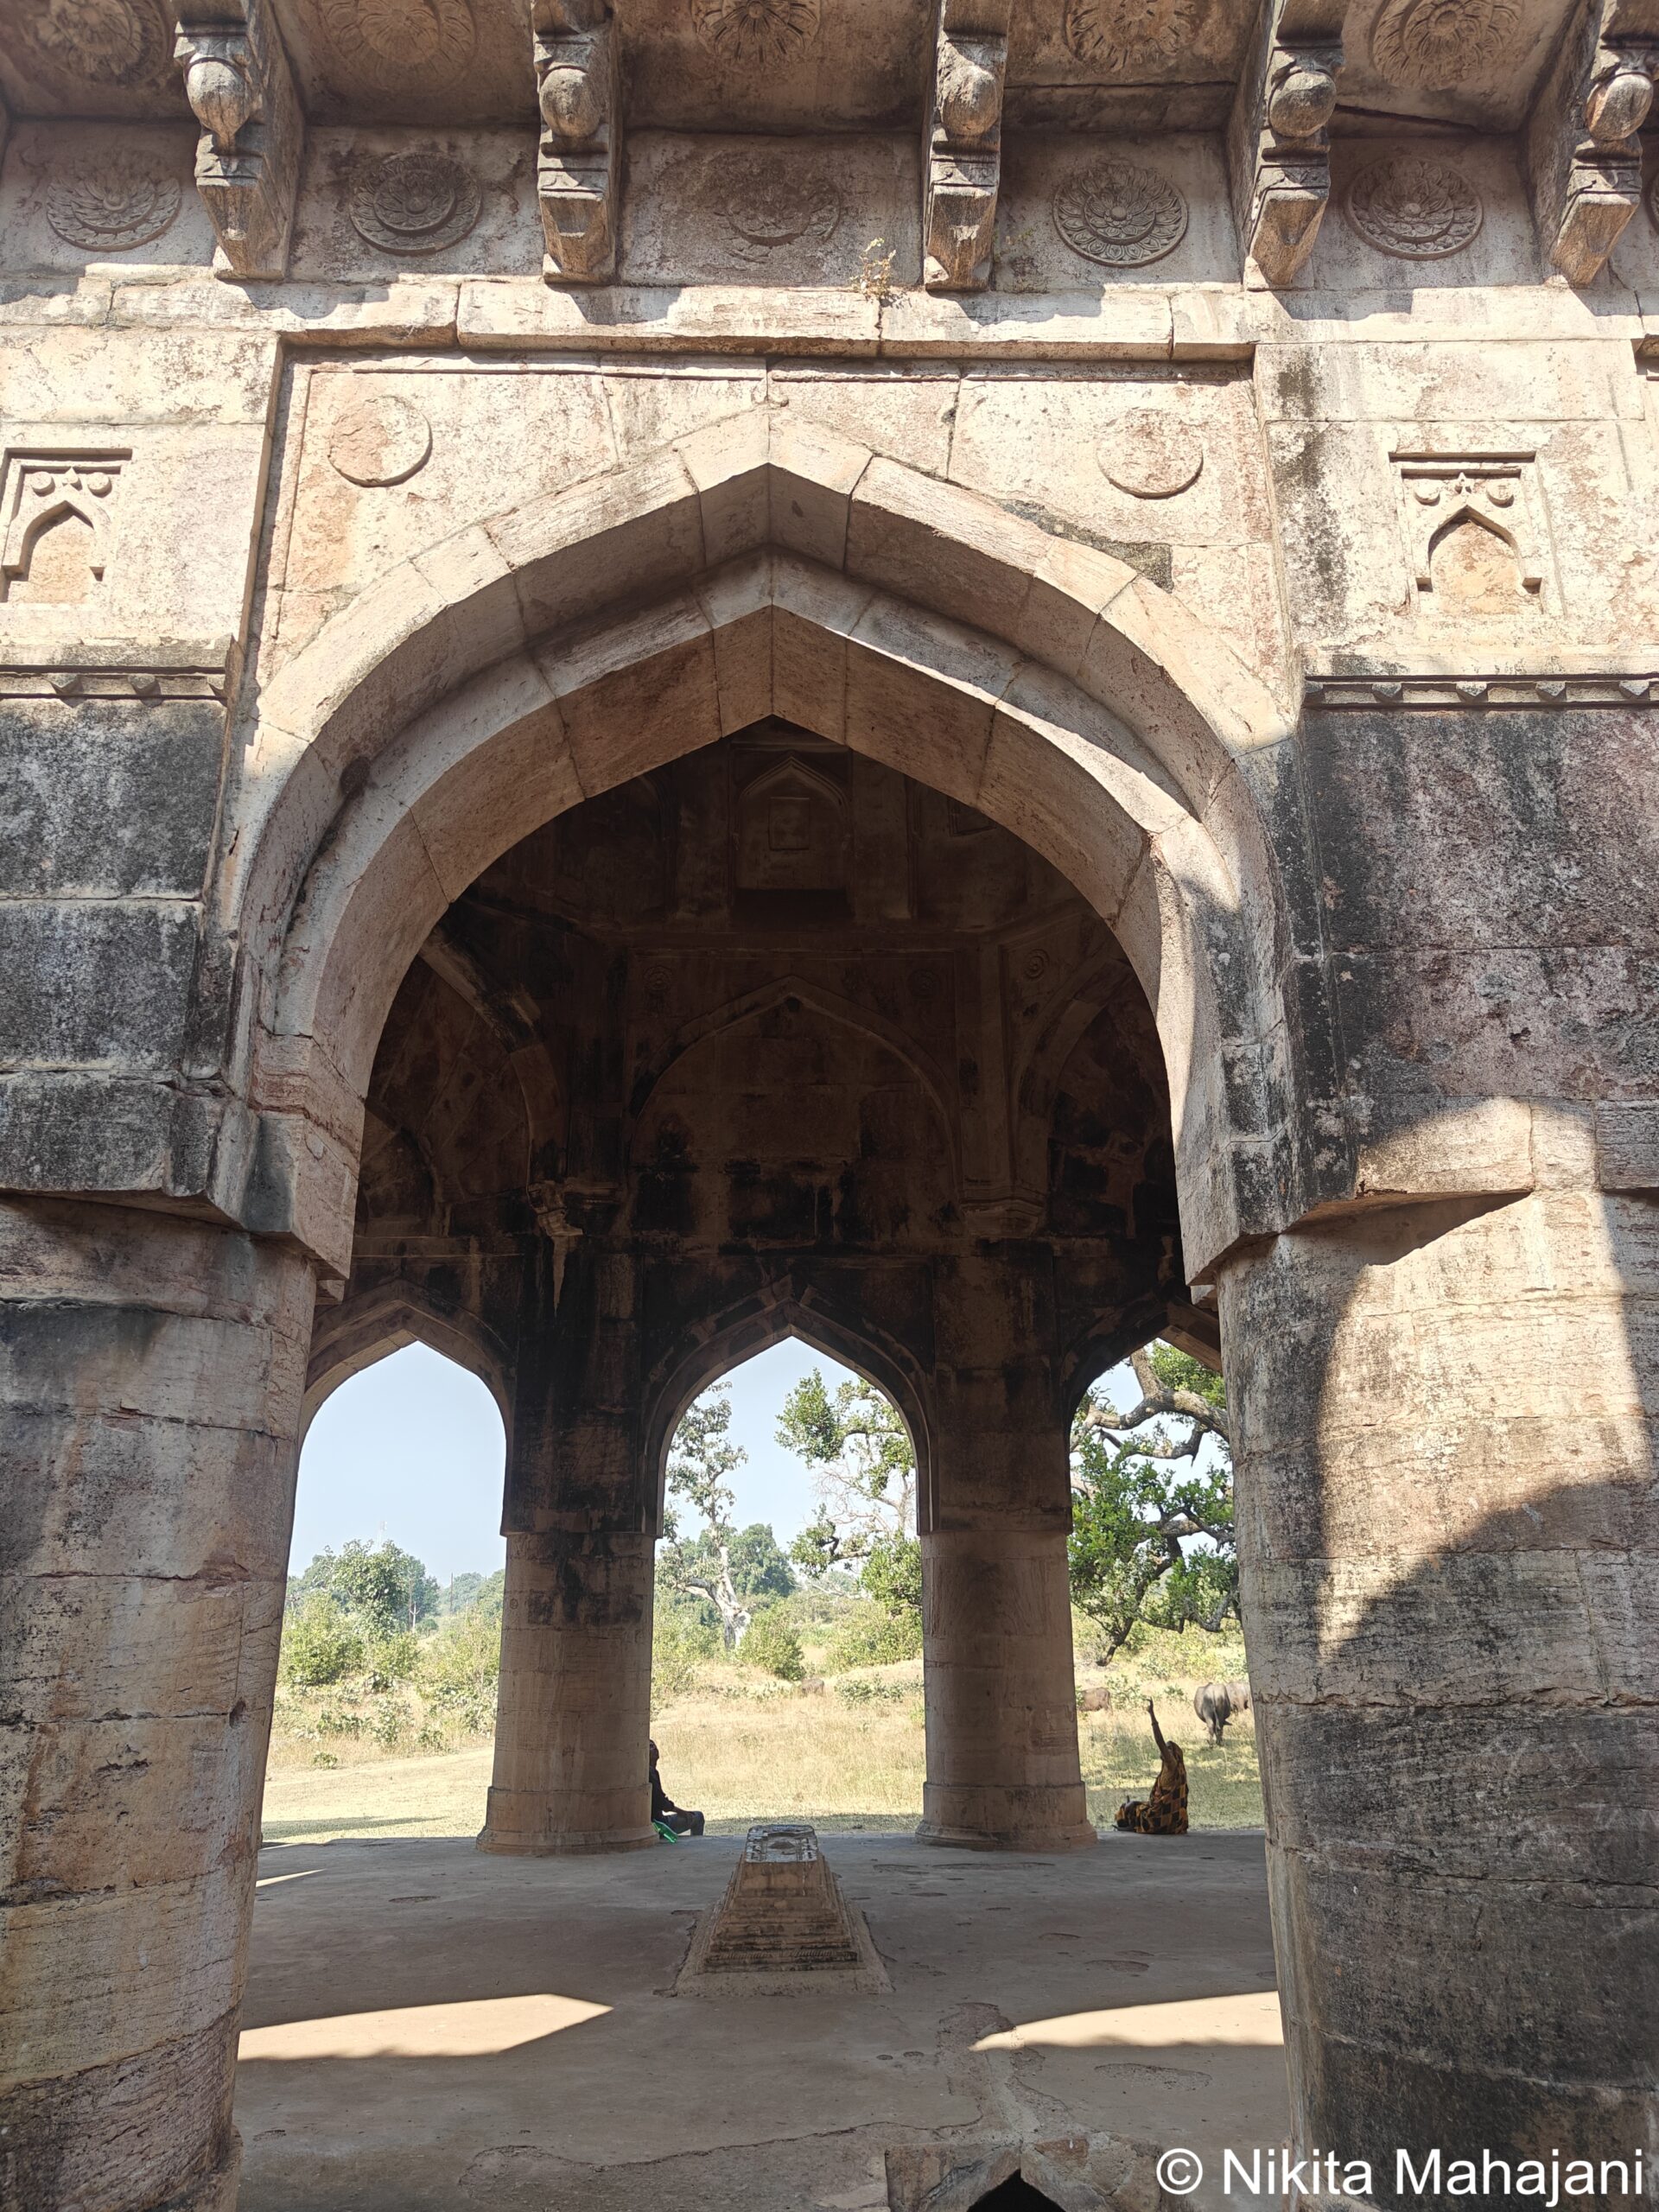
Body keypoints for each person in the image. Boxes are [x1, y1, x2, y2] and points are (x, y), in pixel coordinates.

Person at [1115, 1698, 1188, 1835]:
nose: (1164, 1751)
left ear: (1173, 1756)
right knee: (1134, 1805)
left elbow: (1159, 1741)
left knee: (1130, 1808)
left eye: (1168, 1750)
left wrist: (1152, 1715)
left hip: (1161, 1817)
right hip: (1164, 1811)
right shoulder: (1171, 1769)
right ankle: (1131, 1824)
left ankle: (1131, 1825)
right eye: (1166, 1749)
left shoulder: (1171, 1765)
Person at [649, 1739, 705, 1838]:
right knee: (698, 1817)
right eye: (650, 1746)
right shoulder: (650, 1772)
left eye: (654, 1745)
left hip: (654, 1822)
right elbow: (661, 1802)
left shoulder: (650, 1772)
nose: (655, 1748)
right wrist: (681, 1812)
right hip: (659, 1824)